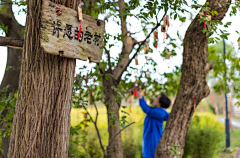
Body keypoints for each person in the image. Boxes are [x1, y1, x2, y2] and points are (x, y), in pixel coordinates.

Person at [136, 90, 171, 158]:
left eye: (157, 98)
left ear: (160, 103)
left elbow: (146, 109)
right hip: (150, 139)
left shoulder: (159, 113)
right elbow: (149, 109)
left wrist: (140, 98)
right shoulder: (157, 111)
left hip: (153, 140)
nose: (154, 99)